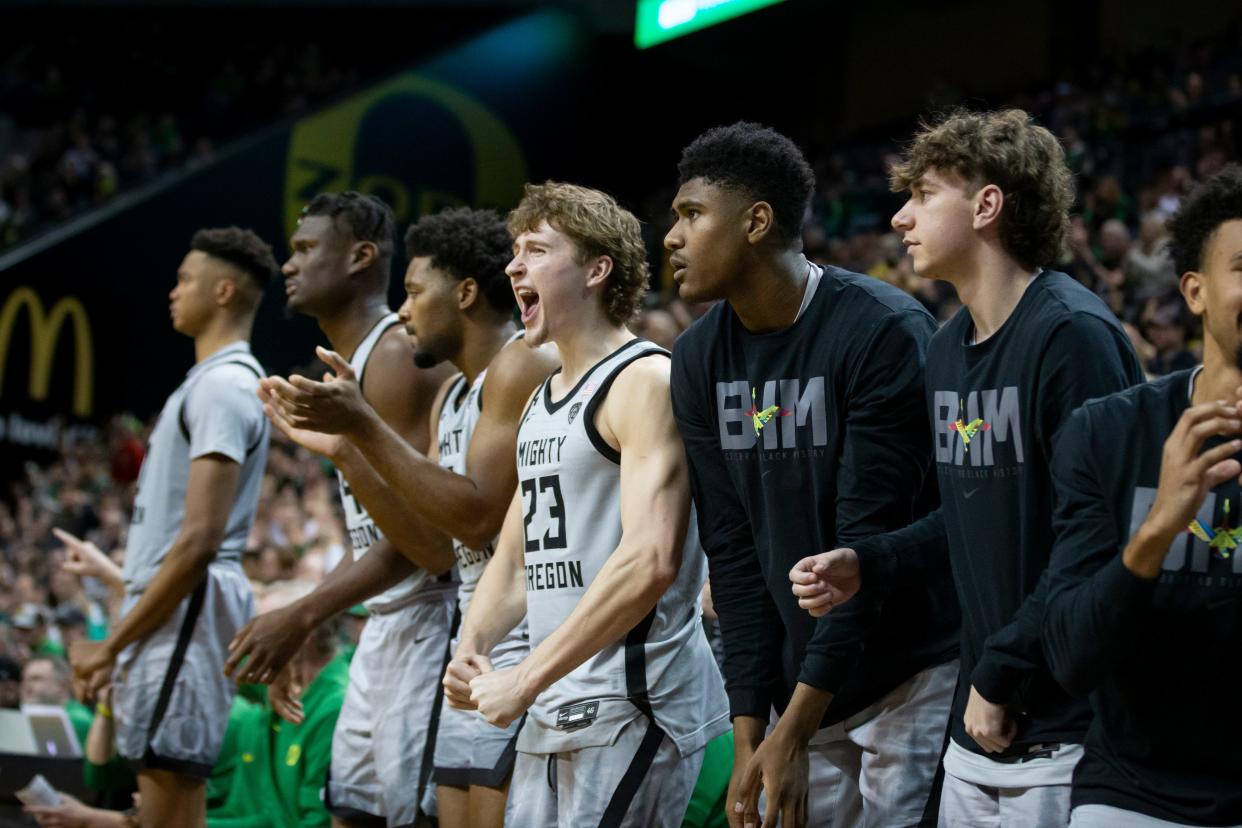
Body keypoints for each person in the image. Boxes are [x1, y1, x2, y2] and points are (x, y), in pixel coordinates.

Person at [790, 109, 1143, 826]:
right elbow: (971, 510)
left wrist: (1004, 670)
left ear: (987, 205)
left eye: (922, 195)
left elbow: (1101, 536)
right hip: (977, 723)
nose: (899, 219)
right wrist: (871, 561)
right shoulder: (948, 349)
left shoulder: (1073, 337)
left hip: (1067, 727)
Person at [666, 122, 959, 828]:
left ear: (757, 222)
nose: (671, 237)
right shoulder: (698, 357)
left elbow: (866, 547)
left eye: (691, 215)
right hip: (801, 686)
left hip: (908, 673)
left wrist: (793, 727)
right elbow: (732, 553)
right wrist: (750, 732)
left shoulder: (881, 330)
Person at [257, 206, 558, 828]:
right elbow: (414, 517)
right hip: (465, 637)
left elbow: (458, 533)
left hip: (516, 631)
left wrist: (358, 433)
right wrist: (349, 446)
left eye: (416, 292)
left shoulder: (519, 363)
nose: (403, 308)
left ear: (466, 294)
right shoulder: (453, 394)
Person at [442, 182, 728, 827]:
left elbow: (651, 560)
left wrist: (524, 677)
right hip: (556, 698)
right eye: (514, 252)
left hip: (634, 701)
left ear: (598, 270)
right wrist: (473, 645)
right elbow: (514, 564)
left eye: (537, 251)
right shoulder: (542, 401)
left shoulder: (643, 380)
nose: (514, 266)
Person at [225, 191, 455, 827]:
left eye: (304, 250)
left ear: (360, 257)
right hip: (385, 623)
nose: (288, 264)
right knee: (350, 812)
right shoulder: (348, 367)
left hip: (434, 619)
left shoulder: (395, 358)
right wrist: (299, 627)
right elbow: (374, 534)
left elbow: (422, 545)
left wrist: (301, 616)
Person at [1043, 164, 1242, 827]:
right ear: (1195, 292)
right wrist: (1156, 529)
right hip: (1137, 792)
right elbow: (1071, 656)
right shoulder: (1108, 432)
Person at [62, 226, 278, 828]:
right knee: (167, 802)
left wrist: (112, 643)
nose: (173, 291)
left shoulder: (223, 387)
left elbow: (200, 541)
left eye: (186, 279)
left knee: (169, 802)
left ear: (226, 291)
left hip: (185, 614)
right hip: (176, 611)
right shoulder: (207, 384)